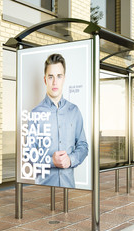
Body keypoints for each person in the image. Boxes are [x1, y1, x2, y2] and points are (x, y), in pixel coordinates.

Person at [29, 53, 88, 188]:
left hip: (69, 187)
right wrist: (51, 161)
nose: (55, 82)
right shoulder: (35, 113)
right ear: (45, 80)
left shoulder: (74, 111)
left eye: (59, 76)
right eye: (51, 77)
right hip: (43, 188)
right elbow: (29, 154)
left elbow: (83, 146)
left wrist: (70, 159)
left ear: (64, 79)